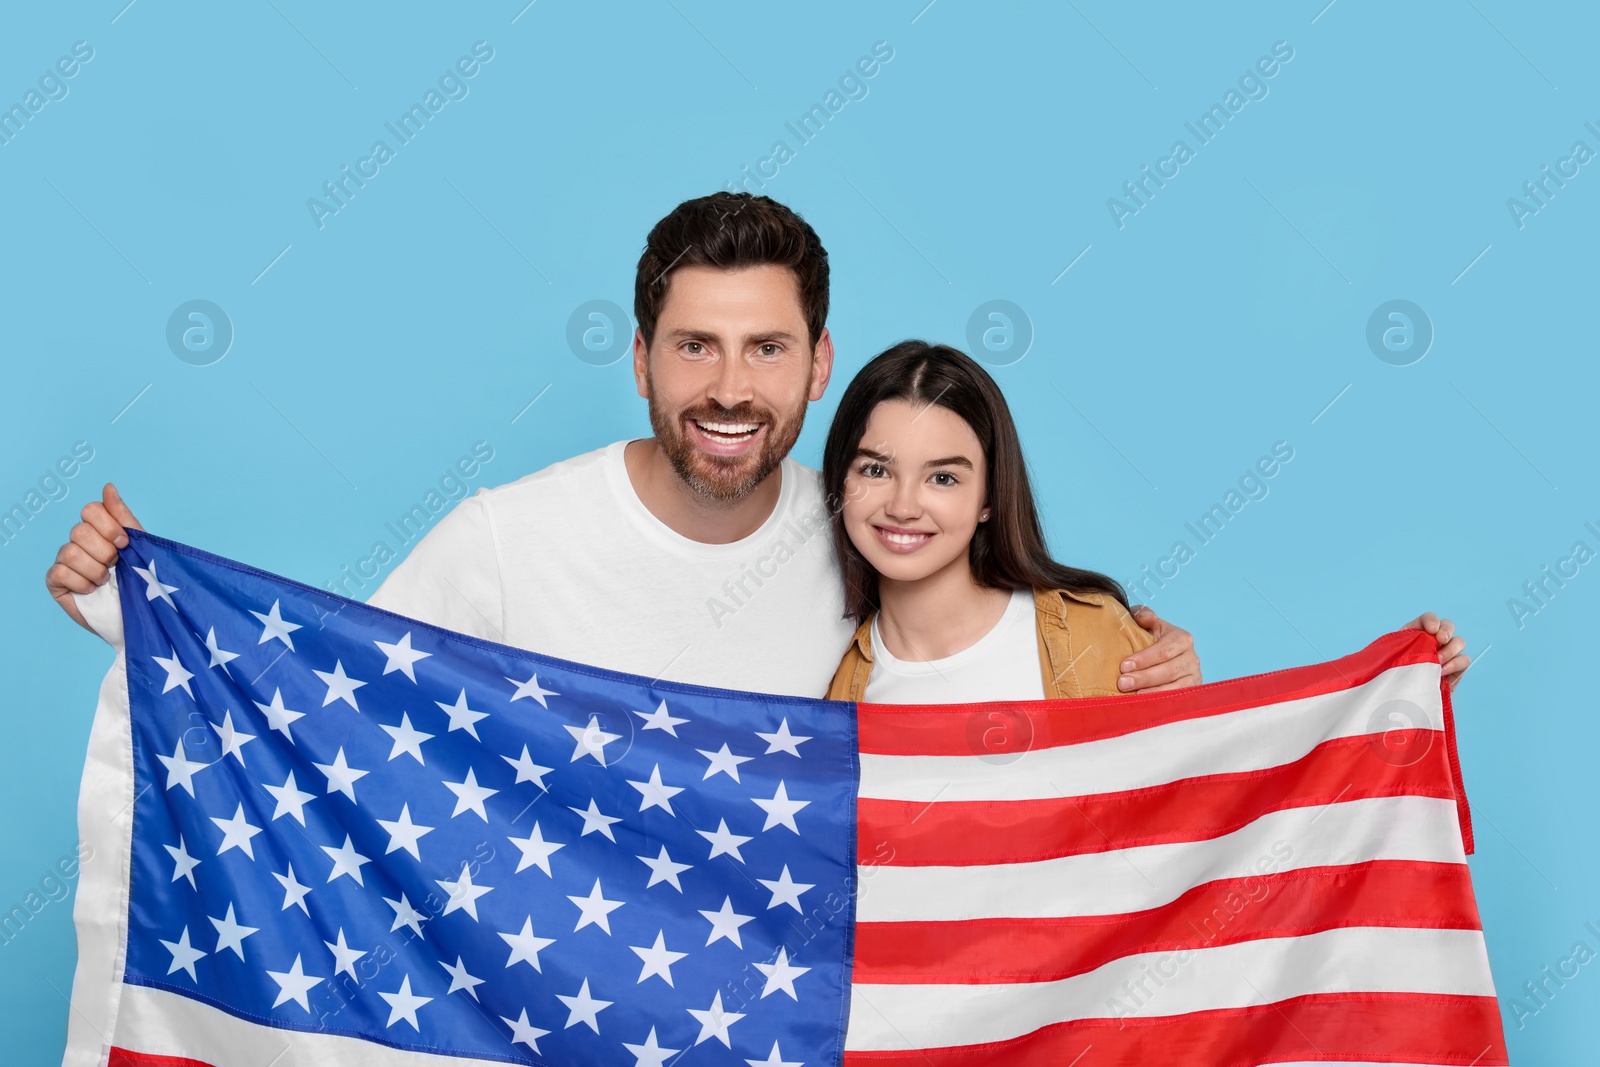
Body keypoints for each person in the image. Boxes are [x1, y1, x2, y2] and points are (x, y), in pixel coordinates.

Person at [43, 192, 1206, 697]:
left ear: (816, 363)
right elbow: (337, 696)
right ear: (641, 358)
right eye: (695, 346)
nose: (730, 389)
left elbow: (993, 661)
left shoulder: (862, 532)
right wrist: (139, 603)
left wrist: (1146, 671)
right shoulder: (508, 538)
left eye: (765, 350)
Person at [822, 340, 1474, 703]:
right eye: (875, 469)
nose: (904, 504)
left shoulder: (1094, 635)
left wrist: (1395, 688)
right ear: (840, 478)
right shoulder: (830, 684)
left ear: (990, 496)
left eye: (943, 476)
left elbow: (1206, 800)